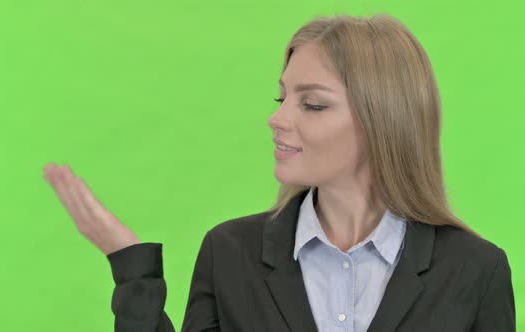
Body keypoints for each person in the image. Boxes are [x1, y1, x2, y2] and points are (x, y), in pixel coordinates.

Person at [42, 13, 516, 332]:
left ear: (383, 120)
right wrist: (131, 267)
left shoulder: (477, 270)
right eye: (281, 97)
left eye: (311, 103)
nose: (277, 118)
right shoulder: (228, 252)